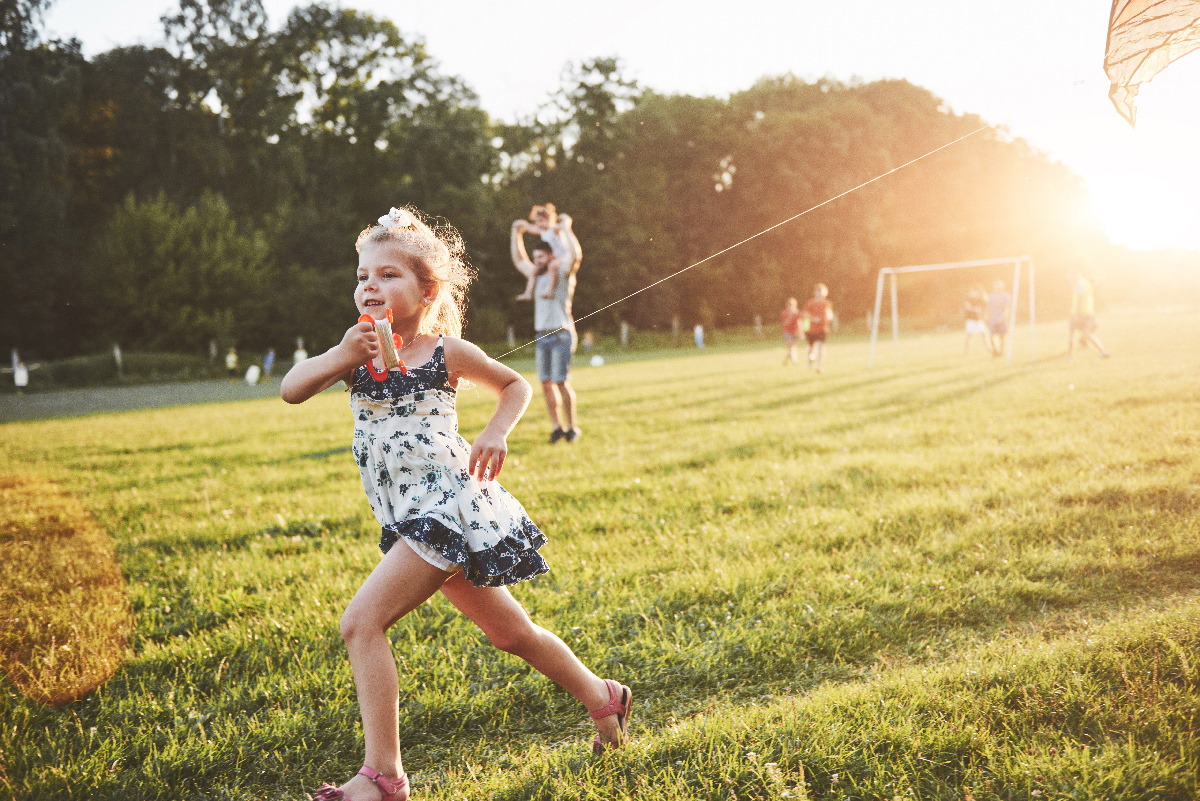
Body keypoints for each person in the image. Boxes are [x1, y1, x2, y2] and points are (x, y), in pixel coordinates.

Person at [281, 206, 631, 801]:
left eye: (388, 274)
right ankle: (604, 697)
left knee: (361, 623)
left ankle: (383, 777)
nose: (370, 285)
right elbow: (292, 389)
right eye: (363, 276)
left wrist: (495, 431)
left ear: (428, 290)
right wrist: (342, 355)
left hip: (446, 508)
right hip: (408, 516)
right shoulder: (354, 354)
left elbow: (515, 385)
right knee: (511, 633)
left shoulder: (446, 351)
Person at [510, 203, 583, 444]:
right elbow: (518, 259)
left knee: (561, 382)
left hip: (561, 333)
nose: (537, 260)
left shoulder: (562, 273)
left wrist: (567, 229)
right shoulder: (535, 274)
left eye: (542, 256)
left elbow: (575, 255)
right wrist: (516, 233)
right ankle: (556, 427)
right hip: (541, 334)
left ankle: (572, 428)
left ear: (552, 256)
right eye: (536, 258)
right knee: (545, 383)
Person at [1068, 273, 1110, 359]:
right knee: (1087, 333)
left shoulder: (1080, 283)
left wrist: (1077, 313)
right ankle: (1102, 351)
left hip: (1078, 313)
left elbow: (1079, 298)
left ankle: (1070, 356)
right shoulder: (1089, 286)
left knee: (1072, 334)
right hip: (1088, 313)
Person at [802, 283, 833, 373]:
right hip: (811, 329)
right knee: (811, 347)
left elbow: (829, 313)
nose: (820, 294)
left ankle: (819, 367)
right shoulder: (810, 303)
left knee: (821, 347)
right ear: (815, 293)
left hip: (822, 328)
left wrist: (829, 317)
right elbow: (804, 314)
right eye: (818, 291)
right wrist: (813, 319)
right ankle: (810, 360)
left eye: (821, 292)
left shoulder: (826, 303)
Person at [987, 280, 1011, 357]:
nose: (997, 287)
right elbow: (989, 307)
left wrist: (1003, 317)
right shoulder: (991, 296)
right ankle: (995, 351)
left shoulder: (1005, 296)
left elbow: (1007, 308)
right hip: (993, 319)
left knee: (1002, 336)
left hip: (1002, 319)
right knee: (991, 336)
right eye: (996, 286)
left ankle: (1001, 352)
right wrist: (987, 316)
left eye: (999, 286)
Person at [963, 288, 991, 354]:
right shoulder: (968, 300)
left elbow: (985, 303)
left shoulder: (979, 300)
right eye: (973, 292)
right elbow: (967, 307)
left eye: (975, 292)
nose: (974, 294)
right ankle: (966, 350)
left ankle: (988, 347)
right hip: (971, 320)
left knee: (984, 334)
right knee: (969, 335)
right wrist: (974, 309)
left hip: (979, 320)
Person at [780, 297, 802, 365]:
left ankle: (786, 360)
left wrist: (801, 332)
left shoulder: (797, 313)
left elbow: (800, 322)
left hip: (795, 332)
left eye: (792, 305)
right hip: (787, 332)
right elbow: (785, 323)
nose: (791, 307)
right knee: (791, 346)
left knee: (792, 347)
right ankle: (794, 361)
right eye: (790, 305)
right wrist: (790, 315)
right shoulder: (784, 313)